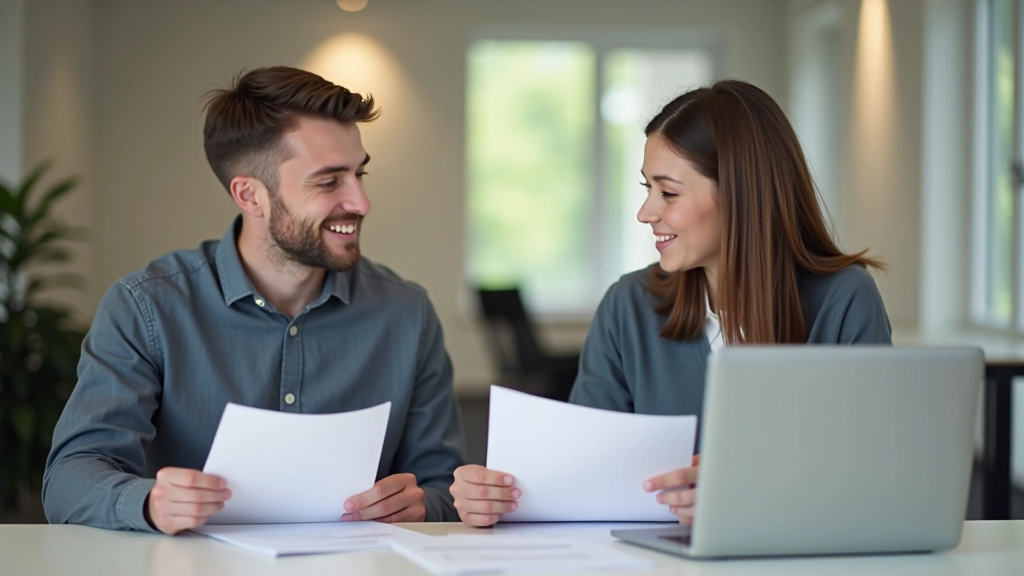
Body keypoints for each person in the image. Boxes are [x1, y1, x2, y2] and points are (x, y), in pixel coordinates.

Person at [449, 79, 891, 527]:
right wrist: (497, 497)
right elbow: (580, 479)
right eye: (647, 188)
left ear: (740, 195)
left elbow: (877, 485)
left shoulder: (844, 301)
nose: (646, 212)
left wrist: (754, 493)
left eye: (668, 192)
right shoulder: (628, 306)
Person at [43, 67, 466, 533]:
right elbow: (69, 478)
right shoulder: (146, 307)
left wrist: (423, 504)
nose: (362, 202)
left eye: (359, 173)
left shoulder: (408, 313)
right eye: (329, 182)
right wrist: (150, 503)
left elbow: (444, 486)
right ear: (250, 195)